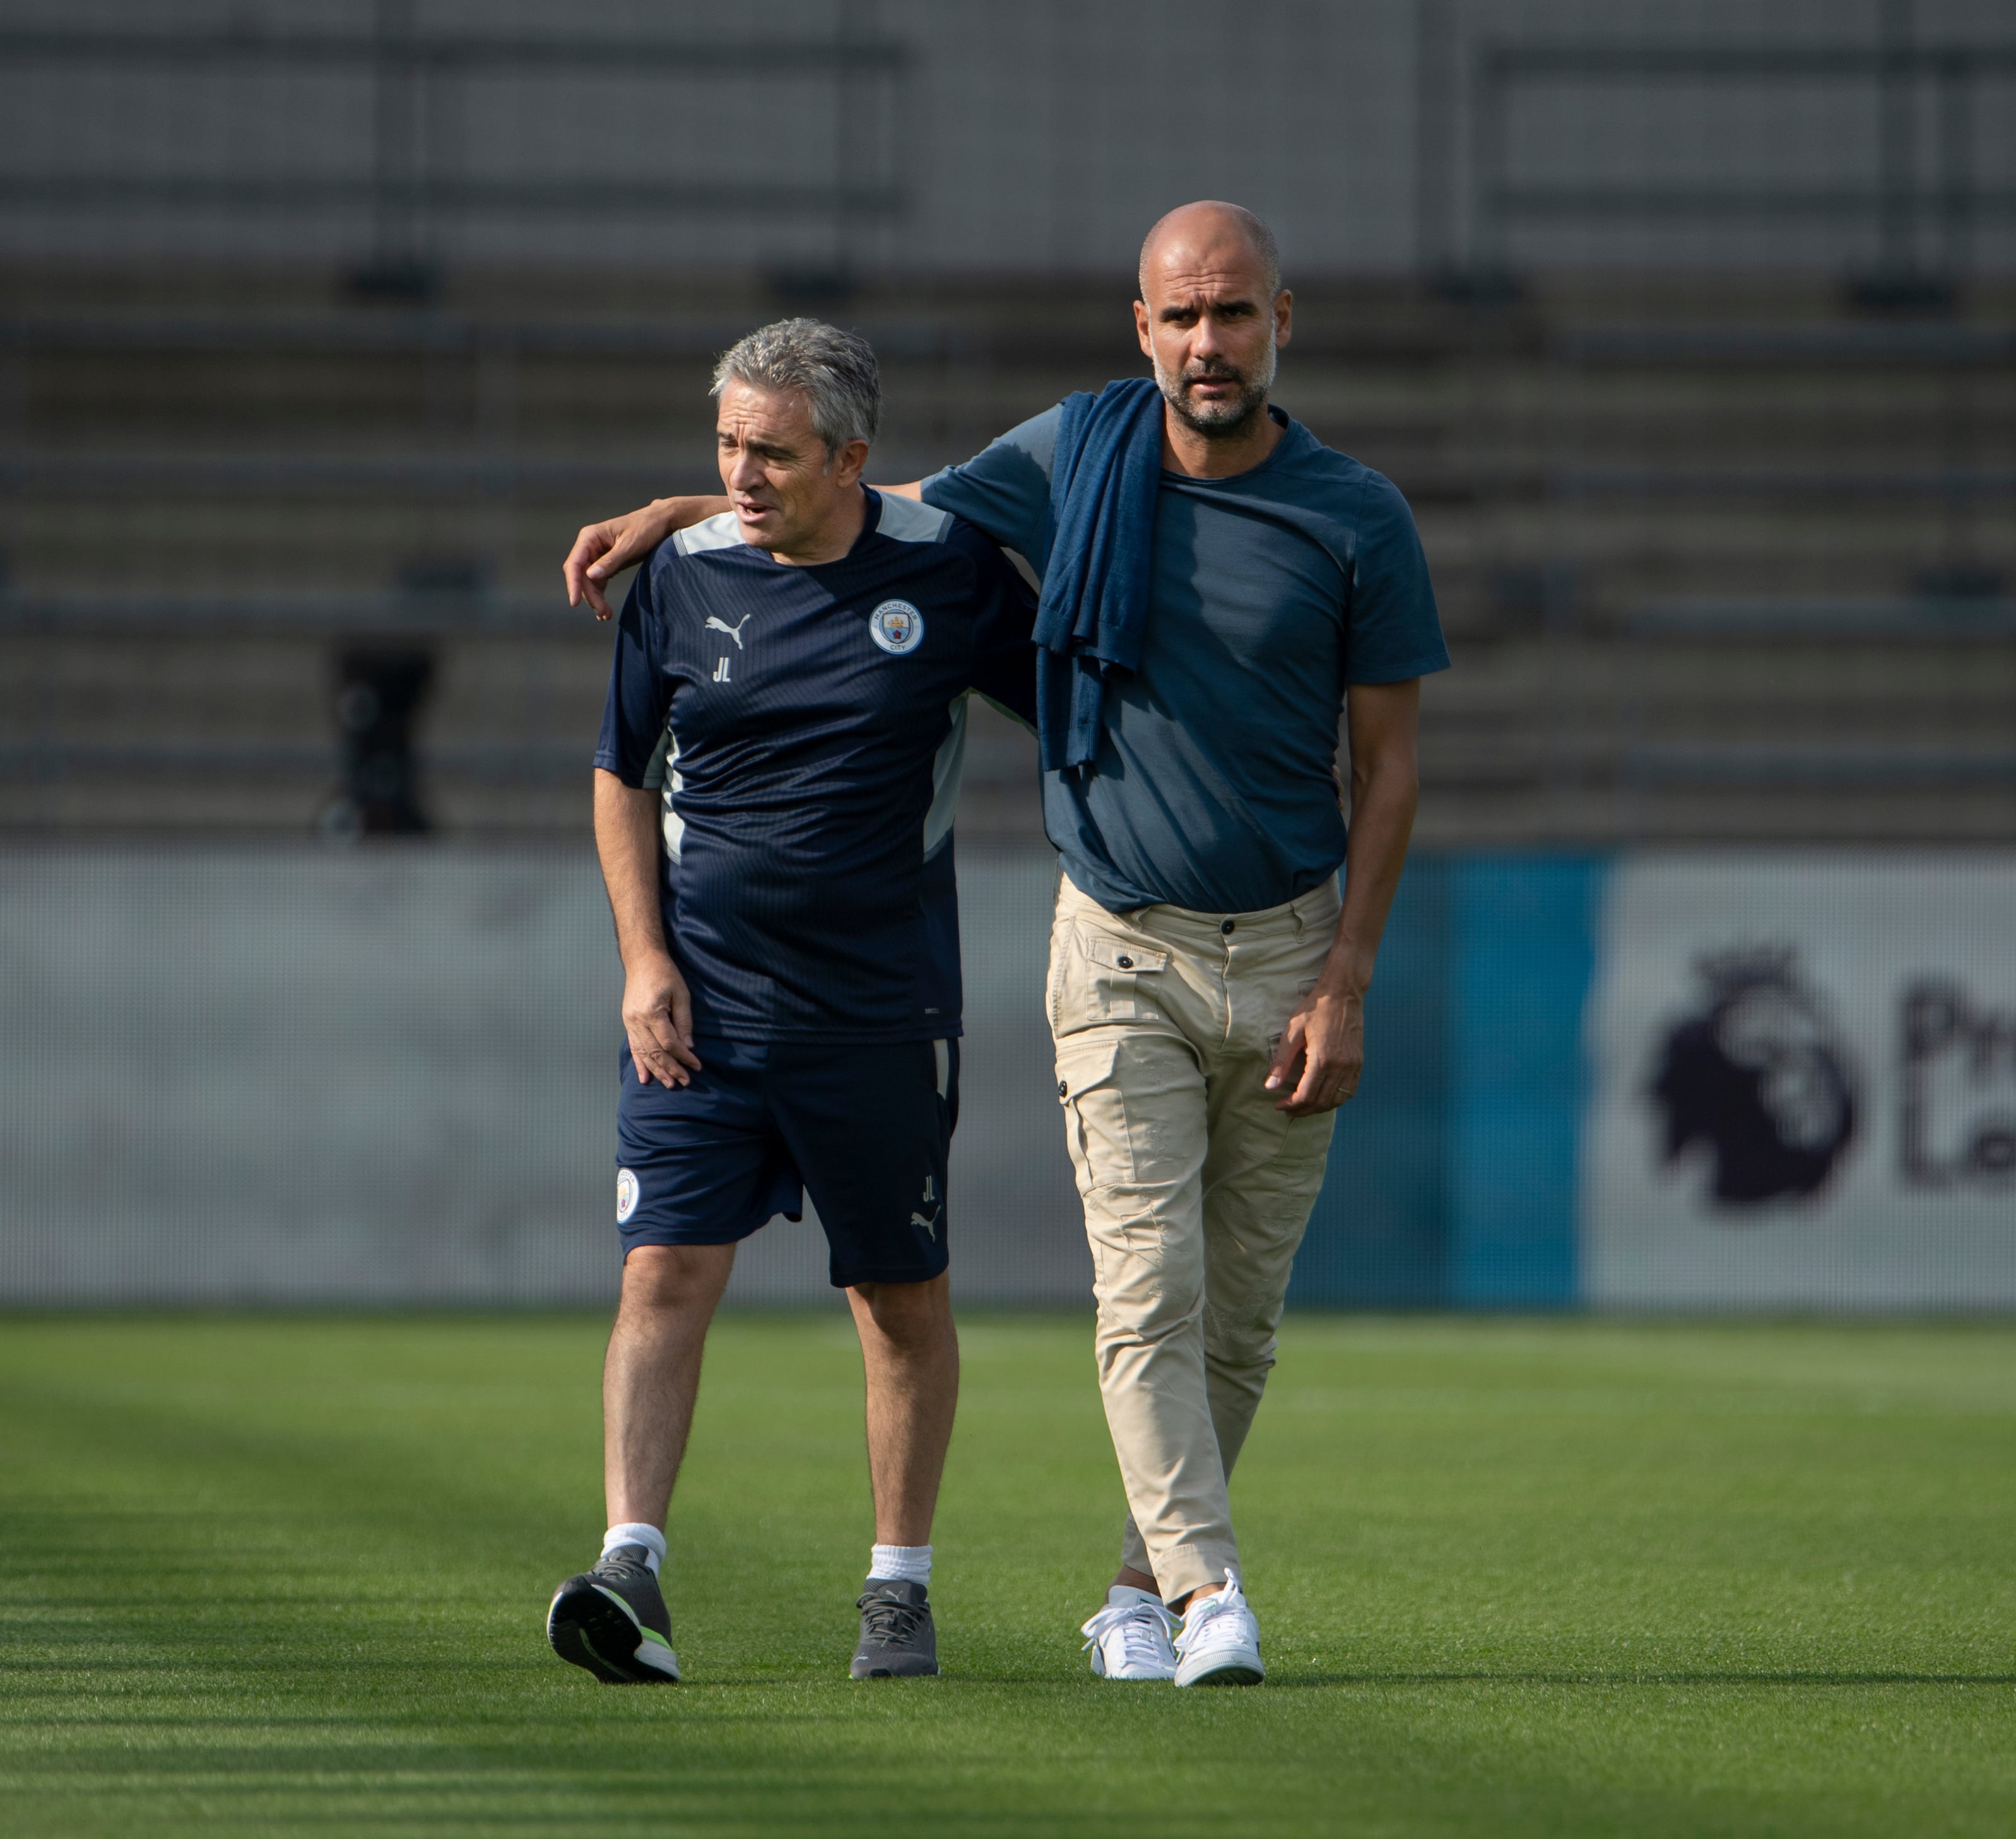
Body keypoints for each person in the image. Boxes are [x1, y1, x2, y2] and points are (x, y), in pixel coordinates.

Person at [563, 203, 1446, 1688]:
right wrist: (684, 514)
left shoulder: (1349, 518)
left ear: (1283, 319)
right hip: (1085, 946)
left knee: (1213, 1319)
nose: (1207, 342)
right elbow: (857, 500)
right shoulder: (1067, 454)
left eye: (1233, 314)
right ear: (1141, 326)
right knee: (1137, 1289)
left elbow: (1384, 762)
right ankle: (1205, 1590)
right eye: (1181, 316)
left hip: (1236, 952)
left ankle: (1095, 1591)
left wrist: (1346, 974)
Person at [548, 317, 1035, 1686]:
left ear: (853, 459)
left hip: (880, 1014)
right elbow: (621, 774)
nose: (741, 477)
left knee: (899, 1301)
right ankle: (631, 1564)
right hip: (698, 1010)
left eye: (773, 453)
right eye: (726, 450)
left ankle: (897, 1590)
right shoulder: (677, 577)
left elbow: (1081, 699)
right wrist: (644, 960)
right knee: (664, 1275)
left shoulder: (948, 578)